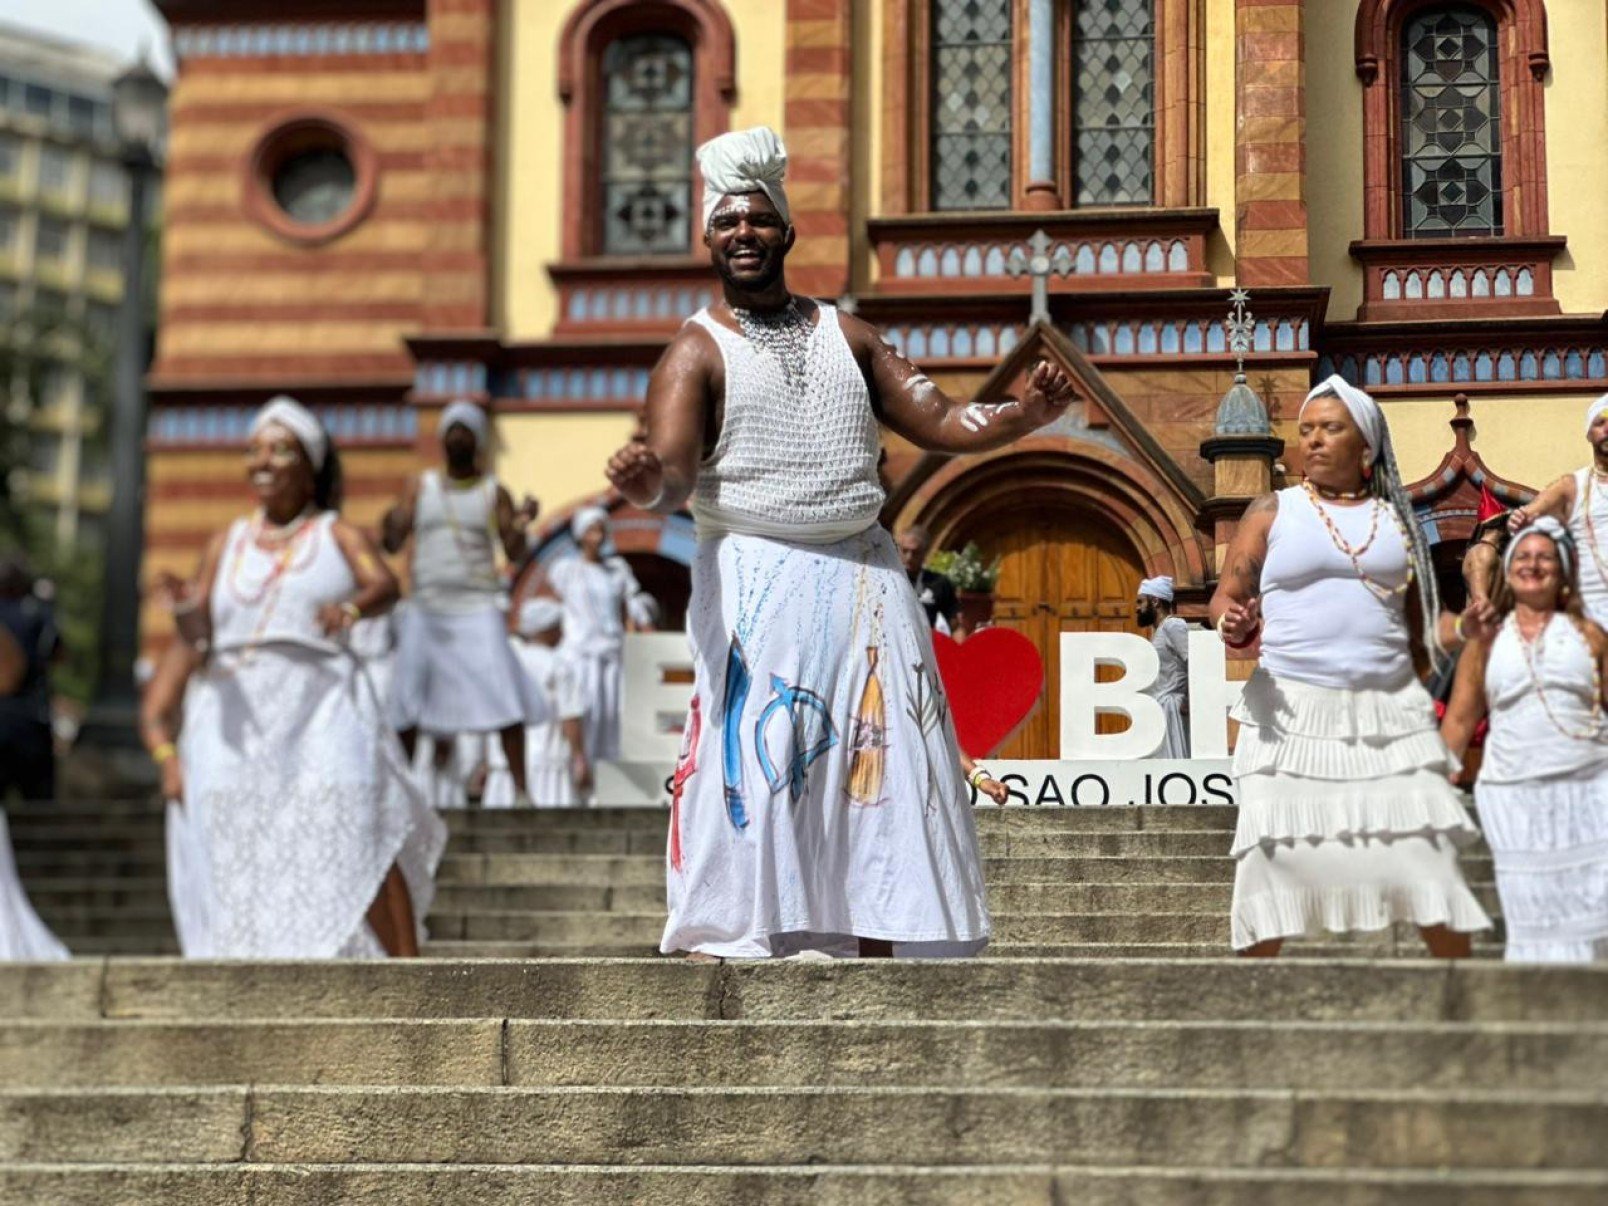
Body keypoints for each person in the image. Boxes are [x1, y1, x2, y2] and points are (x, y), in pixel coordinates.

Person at [605, 126, 1076, 959]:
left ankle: (881, 937)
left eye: (757, 220)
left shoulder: (848, 335)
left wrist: (1019, 418)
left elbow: (938, 417)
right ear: (708, 240)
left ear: (787, 231)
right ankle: (746, 931)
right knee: (766, 750)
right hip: (756, 571)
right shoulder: (693, 353)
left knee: (880, 757)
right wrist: (643, 479)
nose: (742, 234)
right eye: (726, 224)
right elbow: (673, 478)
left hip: (863, 571)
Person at [143, 396, 446, 958]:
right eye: (254, 449)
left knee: (357, 821)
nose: (263, 460)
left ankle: (411, 976)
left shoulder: (335, 534)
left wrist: (350, 610)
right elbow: (199, 634)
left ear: (310, 467)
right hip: (235, 719)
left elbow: (384, 586)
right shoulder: (225, 543)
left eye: (281, 450)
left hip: (320, 705)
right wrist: (184, 606)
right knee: (244, 850)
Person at [1210, 375, 1493, 958]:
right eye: (1306, 430)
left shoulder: (1400, 525)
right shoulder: (1272, 510)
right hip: (1288, 714)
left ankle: (1464, 1012)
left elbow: (1423, 631)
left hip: (1385, 715)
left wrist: (1468, 627)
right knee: (1271, 862)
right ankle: (1252, 1012)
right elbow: (1226, 596)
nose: (1312, 440)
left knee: (1427, 861)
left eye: (1329, 429)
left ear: (1365, 446)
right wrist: (1230, 622)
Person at [1442, 520, 1608, 962]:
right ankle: (1540, 1013)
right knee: (1530, 911)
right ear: (1509, 570)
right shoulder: (1487, 641)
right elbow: (1459, 718)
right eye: (1523, 557)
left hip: (1589, 790)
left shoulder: (1591, 635)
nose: (1533, 565)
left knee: (1591, 909)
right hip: (1513, 795)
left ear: (1563, 571)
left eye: (1544, 557)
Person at [382, 398, 545, 799]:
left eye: (465, 430)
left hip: (479, 606)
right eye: (451, 429)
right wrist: (395, 519)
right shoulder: (420, 486)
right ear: (441, 440)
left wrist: (521, 525)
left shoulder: (494, 491)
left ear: (479, 442)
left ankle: (523, 793)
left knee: (505, 692)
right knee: (407, 696)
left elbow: (515, 552)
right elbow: (391, 541)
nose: (457, 435)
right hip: (427, 607)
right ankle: (400, 791)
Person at [544, 506, 639, 764]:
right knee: (587, 710)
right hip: (580, 653)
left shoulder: (616, 570)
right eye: (592, 528)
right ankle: (579, 766)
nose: (598, 534)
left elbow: (627, 609)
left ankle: (606, 775)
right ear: (581, 534)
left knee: (612, 713)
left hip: (611, 651)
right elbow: (552, 607)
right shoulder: (566, 569)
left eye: (601, 528)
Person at [482, 598, 593, 808]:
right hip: (548, 765)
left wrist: (487, 761)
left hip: (504, 766)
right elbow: (569, 715)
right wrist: (579, 757)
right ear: (548, 629)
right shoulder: (558, 666)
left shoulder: (506, 662)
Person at [1509, 392, 1608, 626]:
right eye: (1600, 422)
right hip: (1590, 615)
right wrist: (1519, 520)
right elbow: (1527, 515)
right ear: (1589, 434)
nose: (1607, 429)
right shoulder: (1572, 485)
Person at [0, 558, 61, 802]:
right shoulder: (38, 613)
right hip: (30, 719)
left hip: (18, 717)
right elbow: (57, 652)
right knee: (38, 807)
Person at [1135, 575, 1190, 758]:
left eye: (1140, 602)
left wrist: (1188, 699)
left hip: (1172, 708)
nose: (1137, 608)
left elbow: (1193, 661)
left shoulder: (1172, 626)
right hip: (1159, 708)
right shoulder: (1158, 631)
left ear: (1155, 601)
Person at [897, 525, 959, 634]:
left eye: (915, 552)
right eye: (905, 551)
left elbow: (954, 622)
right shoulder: (888, 581)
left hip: (929, 644)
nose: (909, 557)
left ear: (925, 553)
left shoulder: (940, 583)